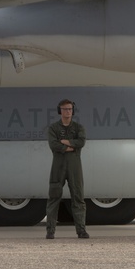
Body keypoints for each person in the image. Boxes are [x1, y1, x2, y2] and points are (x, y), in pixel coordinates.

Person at [45, 99, 88, 239]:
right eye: (64, 109)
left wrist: (64, 142)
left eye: (69, 109)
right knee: (54, 197)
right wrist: (69, 147)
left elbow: (81, 142)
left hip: (74, 166)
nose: (67, 112)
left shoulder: (78, 127)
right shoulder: (53, 128)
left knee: (78, 197)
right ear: (60, 111)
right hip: (58, 166)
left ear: (73, 110)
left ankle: (81, 231)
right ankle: (50, 231)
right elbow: (53, 145)